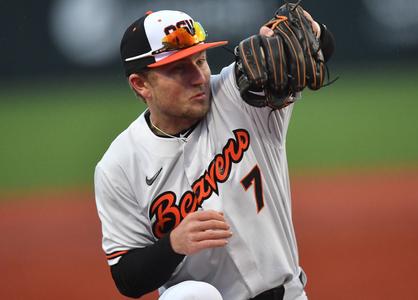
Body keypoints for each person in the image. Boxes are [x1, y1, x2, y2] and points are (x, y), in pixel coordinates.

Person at [94, 7, 334, 300]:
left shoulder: (238, 94)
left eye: (201, 60)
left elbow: (299, 50)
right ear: (141, 84)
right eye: (179, 69)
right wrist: (172, 245)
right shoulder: (118, 165)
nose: (198, 77)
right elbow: (127, 277)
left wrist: (316, 35)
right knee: (192, 295)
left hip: (287, 295)